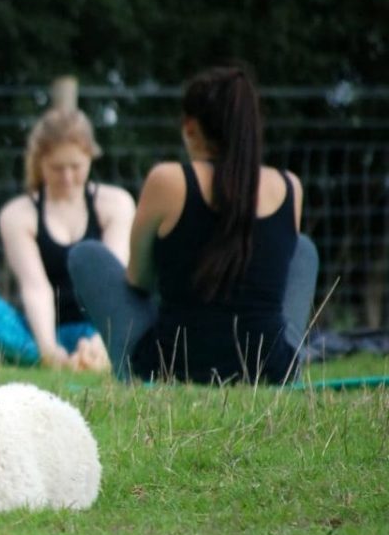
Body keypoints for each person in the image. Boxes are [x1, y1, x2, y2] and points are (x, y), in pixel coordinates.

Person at [67, 63, 319, 384]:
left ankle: (132, 375)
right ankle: (289, 367)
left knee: (86, 255)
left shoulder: (168, 181)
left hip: (171, 368)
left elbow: (139, 280)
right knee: (304, 250)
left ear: (189, 127)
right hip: (271, 369)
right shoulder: (289, 187)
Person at [0, 107, 135, 370]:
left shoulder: (116, 204)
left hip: (107, 327)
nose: (67, 177)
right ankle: (41, 358)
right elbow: (36, 288)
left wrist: (101, 341)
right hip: (43, 331)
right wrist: (50, 349)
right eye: (57, 168)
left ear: (90, 157)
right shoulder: (17, 215)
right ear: (40, 162)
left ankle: (106, 354)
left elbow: (112, 282)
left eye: (76, 166)